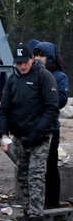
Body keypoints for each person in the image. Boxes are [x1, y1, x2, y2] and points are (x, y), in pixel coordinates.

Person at [0, 43, 59, 221]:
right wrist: (3, 133)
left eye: (25, 62)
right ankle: (27, 209)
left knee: (36, 175)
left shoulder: (44, 77)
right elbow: (5, 108)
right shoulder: (13, 79)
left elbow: (51, 107)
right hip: (19, 136)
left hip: (40, 136)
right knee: (22, 175)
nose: (22, 66)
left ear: (32, 59)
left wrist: (37, 133)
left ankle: (36, 215)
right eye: (19, 64)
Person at [33, 42, 69, 209]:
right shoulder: (30, 74)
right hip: (31, 126)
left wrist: (43, 96)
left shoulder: (59, 77)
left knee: (50, 167)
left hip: (51, 129)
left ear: (51, 58)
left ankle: (51, 203)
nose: (38, 59)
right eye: (36, 55)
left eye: (42, 55)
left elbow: (60, 100)